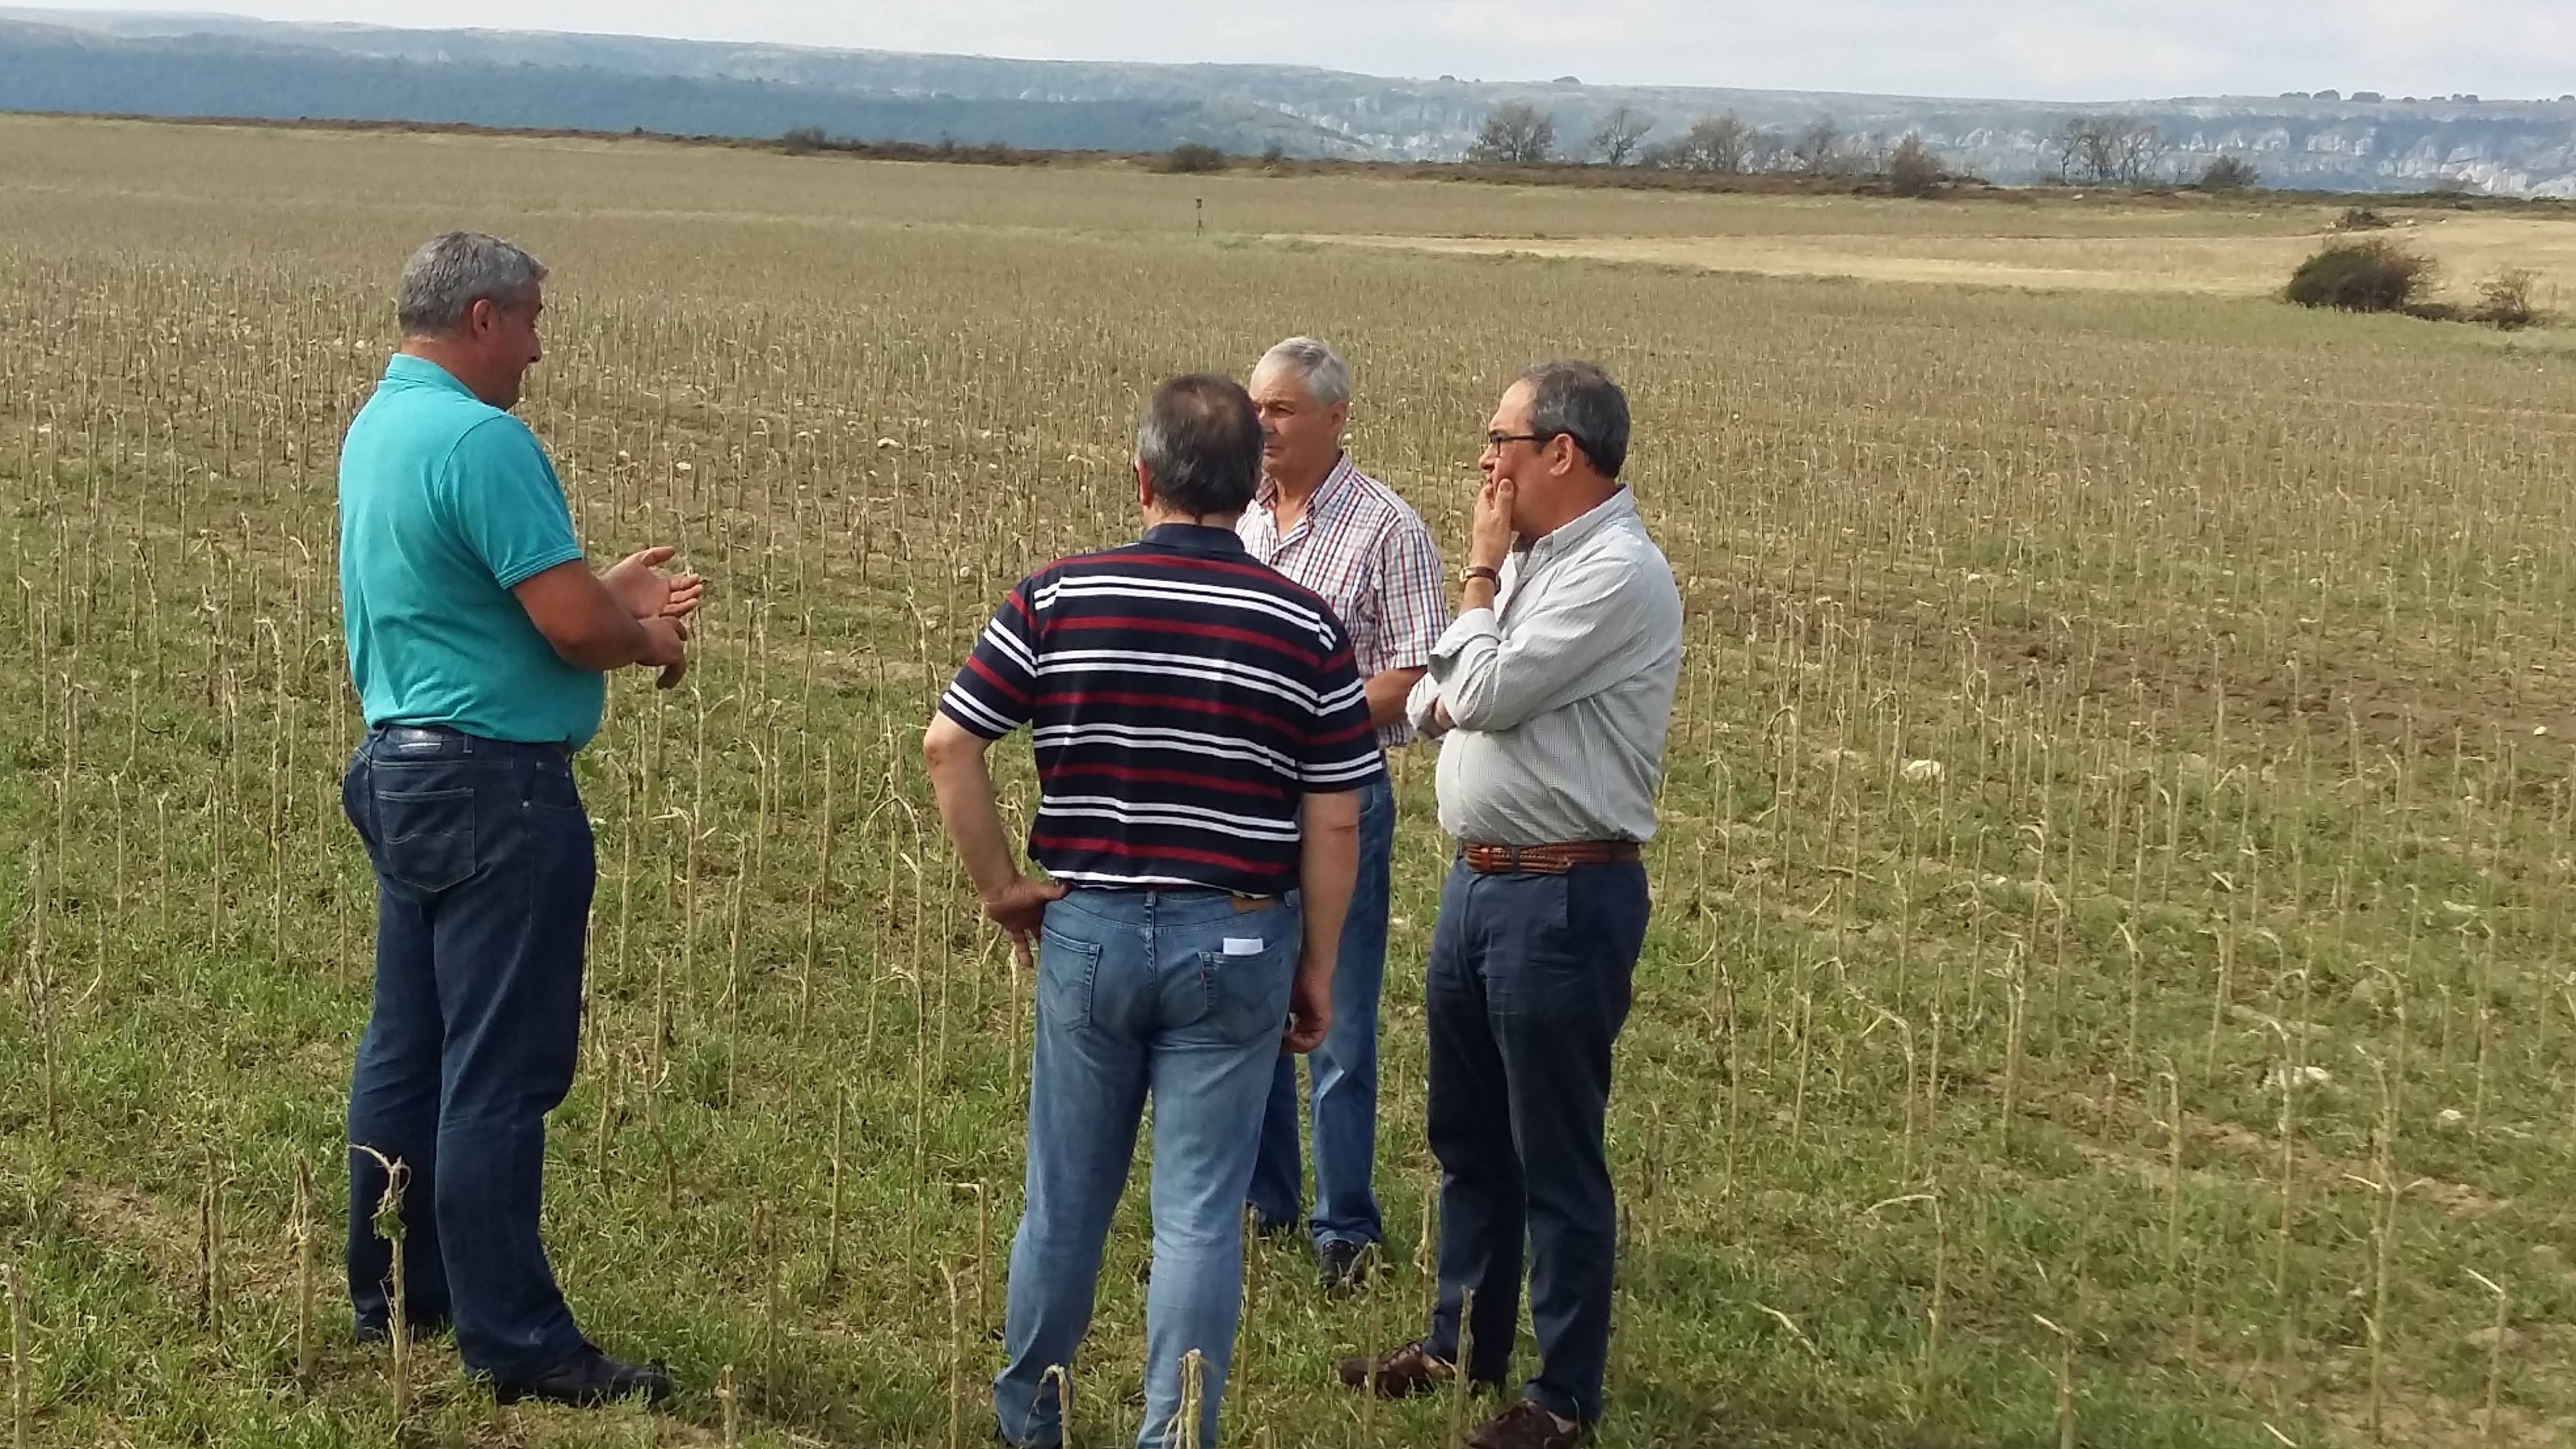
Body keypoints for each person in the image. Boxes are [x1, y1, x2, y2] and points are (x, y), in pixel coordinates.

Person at [924, 374, 1377, 1449]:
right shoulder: (1306, 627)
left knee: (1064, 1204)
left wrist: (1002, 887)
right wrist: (1316, 964)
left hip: (1090, 928)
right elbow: (1337, 818)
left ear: (1142, 479)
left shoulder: (1056, 596)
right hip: (1240, 933)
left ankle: (1031, 1418)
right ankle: (1174, 1433)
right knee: (1200, 1216)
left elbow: (951, 744)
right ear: (1253, 485)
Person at [339, 231, 697, 1408]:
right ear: (483, 318)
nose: (539, 348)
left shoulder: (381, 425)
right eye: (532, 320)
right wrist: (640, 631)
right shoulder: (483, 440)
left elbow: (481, 596)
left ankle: (398, 1291)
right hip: (496, 785)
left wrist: (604, 591)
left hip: (403, 767)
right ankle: (518, 1338)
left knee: (408, 1049)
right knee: (500, 1070)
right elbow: (571, 629)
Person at [1337, 362, 1682, 1449]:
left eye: (1501, 440)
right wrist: (1473, 652)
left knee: (1555, 1151)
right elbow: (1434, 700)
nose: (1486, 463)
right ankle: (1462, 1342)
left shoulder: (1614, 572)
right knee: (1468, 1133)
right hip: (1483, 881)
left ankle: (1561, 1397)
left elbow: (1471, 689)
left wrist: (1479, 577)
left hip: (1563, 892)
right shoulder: (1544, 561)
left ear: (1561, 453)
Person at [1237, 337, 1445, 1290]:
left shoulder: (1387, 528)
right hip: (1249, 796)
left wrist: (1306, 713)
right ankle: (1266, 1199)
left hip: (1338, 795)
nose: (1263, 425)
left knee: (1341, 1016)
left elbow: (1413, 671)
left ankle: (1346, 1225)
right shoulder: (1242, 516)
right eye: (1256, 408)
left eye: (1281, 409)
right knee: (1253, 999)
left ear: (1336, 417)